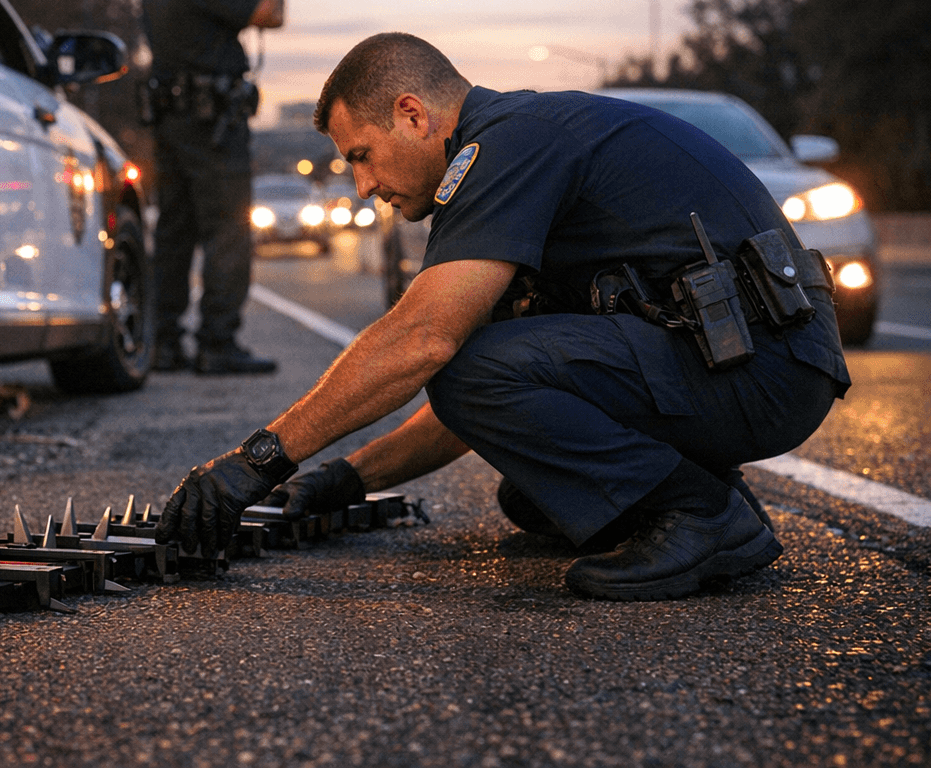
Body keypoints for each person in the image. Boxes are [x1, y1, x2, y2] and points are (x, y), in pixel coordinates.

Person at [158, 32, 850, 600]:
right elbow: (482, 396)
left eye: (361, 157)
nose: (364, 186)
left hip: (763, 366)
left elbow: (426, 345)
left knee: (473, 377)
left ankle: (702, 515)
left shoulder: (506, 147)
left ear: (411, 114)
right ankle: (710, 498)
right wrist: (346, 479)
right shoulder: (520, 140)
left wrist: (254, 464)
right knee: (537, 495)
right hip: (756, 363)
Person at [140, 0, 286, 375]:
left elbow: (219, 21)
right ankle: (217, 342)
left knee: (174, 233)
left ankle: (164, 341)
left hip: (171, 126)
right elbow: (269, 15)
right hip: (214, 130)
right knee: (228, 232)